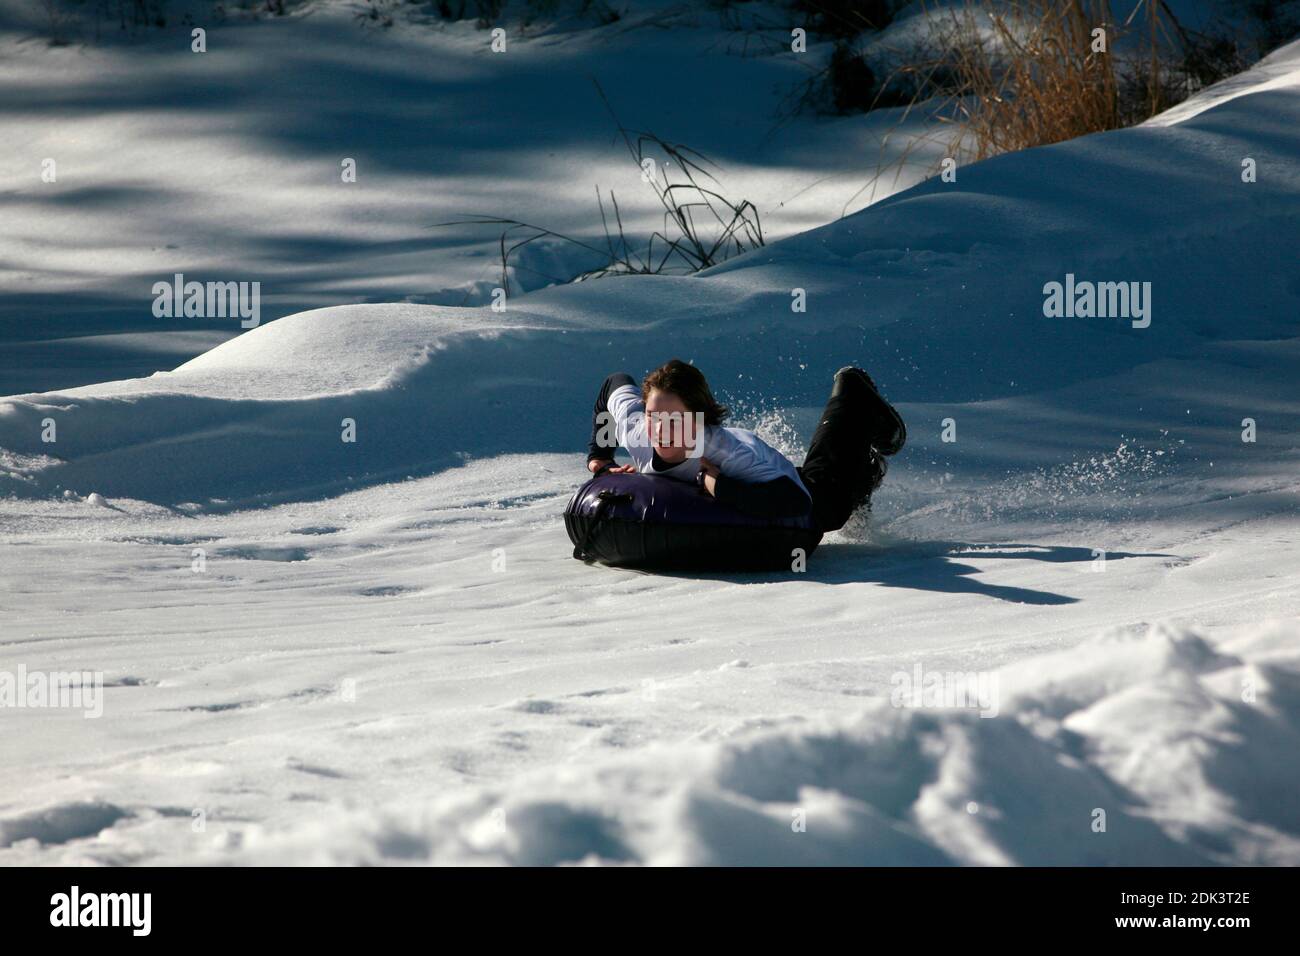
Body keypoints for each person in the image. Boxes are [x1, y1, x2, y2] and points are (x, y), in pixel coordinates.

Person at [585, 358, 906, 533]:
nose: (661, 428)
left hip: (808, 493)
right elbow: (613, 383)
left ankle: (852, 391)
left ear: (698, 418)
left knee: (830, 493)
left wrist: (714, 483)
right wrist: (600, 457)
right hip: (764, 477)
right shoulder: (638, 430)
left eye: (675, 418)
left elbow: (796, 503)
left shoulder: (725, 449)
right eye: (654, 415)